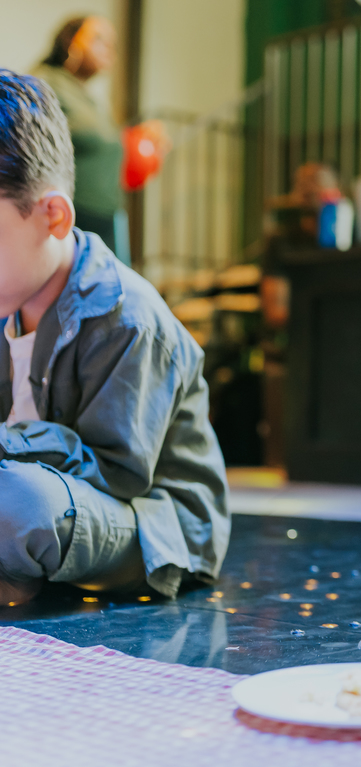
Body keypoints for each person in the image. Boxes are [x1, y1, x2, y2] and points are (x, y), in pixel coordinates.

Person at [0, 70, 229, 607]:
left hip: (149, 524)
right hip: (62, 508)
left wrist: (8, 447)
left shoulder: (128, 315)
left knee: (21, 503)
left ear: (52, 215)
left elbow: (118, 475)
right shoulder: (9, 299)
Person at [32, 17, 125, 256]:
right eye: (99, 40)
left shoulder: (86, 95)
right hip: (71, 217)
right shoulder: (44, 82)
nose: (109, 51)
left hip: (104, 216)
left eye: (112, 45)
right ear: (71, 42)